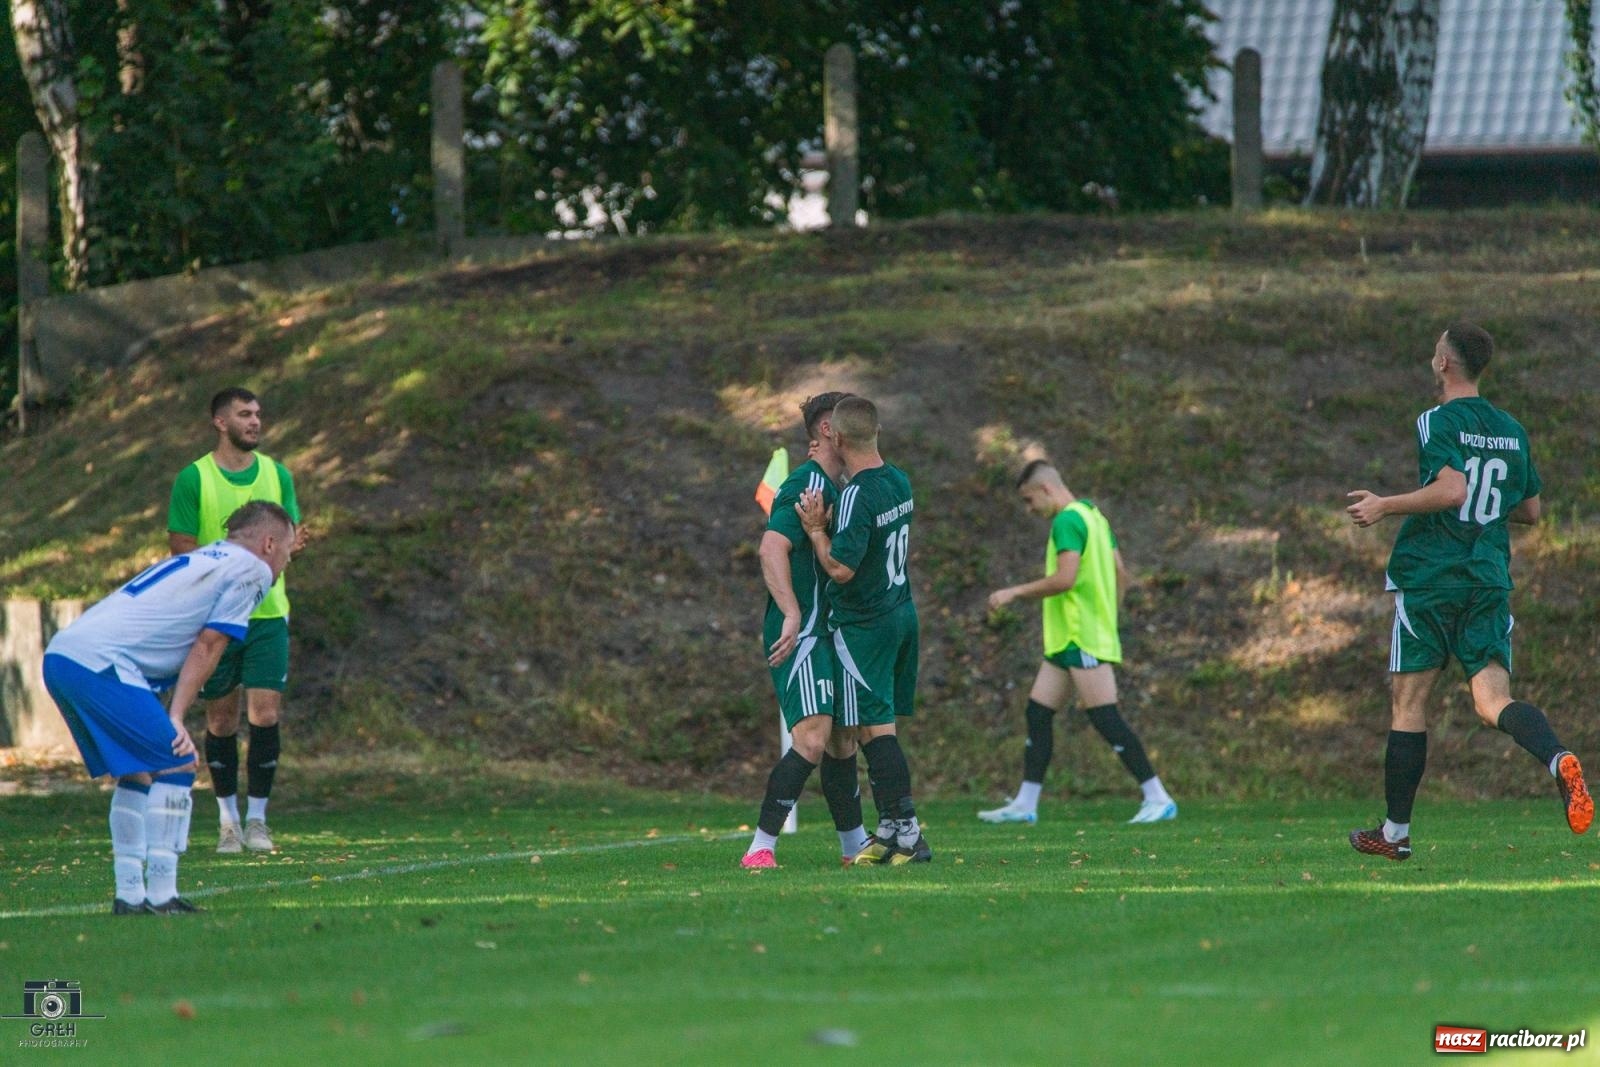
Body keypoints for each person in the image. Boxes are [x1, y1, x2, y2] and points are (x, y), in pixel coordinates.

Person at [1345, 322, 1590, 861]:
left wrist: (1384, 505)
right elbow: (1530, 510)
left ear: (1443, 364)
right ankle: (1558, 759)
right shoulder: (1510, 428)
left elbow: (1452, 489)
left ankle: (1395, 833)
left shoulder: (1437, 419)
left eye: (1436, 350)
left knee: (1409, 703)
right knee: (1492, 701)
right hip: (1487, 577)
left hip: (1432, 578)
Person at [43, 501, 295, 914]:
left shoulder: (205, 557)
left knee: (138, 772)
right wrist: (176, 716)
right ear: (268, 543)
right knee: (177, 763)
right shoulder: (251, 570)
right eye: (286, 551)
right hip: (101, 664)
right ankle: (162, 894)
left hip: (65, 656)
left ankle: (129, 895)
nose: (285, 562)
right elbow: (210, 644)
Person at [979, 461, 1176, 825]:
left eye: (1029, 500)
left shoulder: (1068, 520)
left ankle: (1157, 795)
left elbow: (1065, 579)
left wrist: (1014, 593)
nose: (1030, 509)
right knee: (1038, 713)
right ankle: (1025, 803)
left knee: (1105, 717)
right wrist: (1108, 618)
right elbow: (1120, 572)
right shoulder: (1095, 517)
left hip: (1079, 635)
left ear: (1047, 490)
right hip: (1074, 637)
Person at [168, 387, 305, 854]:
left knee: (265, 713)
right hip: (216, 618)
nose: (255, 422)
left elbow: (292, 537)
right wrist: (228, 571)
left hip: (267, 614)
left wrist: (285, 550)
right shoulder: (195, 479)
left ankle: (259, 821)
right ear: (220, 422)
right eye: (244, 414)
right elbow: (182, 548)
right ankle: (228, 822)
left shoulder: (277, 474)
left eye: (258, 414)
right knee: (222, 720)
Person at [741, 393, 873, 869]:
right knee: (813, 739)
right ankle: (761, 847)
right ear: (827, 430)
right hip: (805, 633)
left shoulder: (836, 487)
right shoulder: (805, 481)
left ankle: (854, 845)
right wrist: (792, 614)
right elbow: (771, 547)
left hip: (832, 632)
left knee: (842, 740)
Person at [797, 396, 929, 865]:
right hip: (901, 612)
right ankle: (892, 829)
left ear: (835, 435)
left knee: (875, 732)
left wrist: (816, 530)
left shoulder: (857, 493)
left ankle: (909, 835)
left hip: (866, 624)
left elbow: (841, 569)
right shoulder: (898, 480)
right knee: (875, 727)